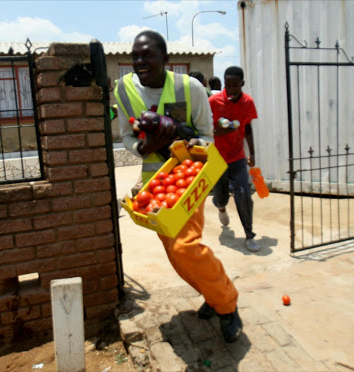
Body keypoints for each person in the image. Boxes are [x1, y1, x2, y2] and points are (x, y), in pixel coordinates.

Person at [114, 30, 243, 343]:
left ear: (165, 59)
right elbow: (128, 136)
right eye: (135, 56)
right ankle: (212, 295)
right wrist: (144, 148)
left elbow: (207, 136)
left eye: (147, 55)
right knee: (175, 253)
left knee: (186, 246)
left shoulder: (190, 87)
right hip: (153, 186)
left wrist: (180, 141)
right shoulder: (124, 89)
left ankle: (227, 305)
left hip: (187, 178)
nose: (139, 61)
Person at [208, 66, 260, 252]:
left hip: (237, 156)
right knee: (220, 197)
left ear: (242, 84)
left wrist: (252, 152)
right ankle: (221, 208)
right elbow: (205, 129)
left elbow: (247, 128)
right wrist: (217, 132)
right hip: (217, 158)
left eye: (235, 86)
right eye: (228, 85)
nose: (231, 89)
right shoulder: (213, 101)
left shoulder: (248, 102)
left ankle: (249, 234)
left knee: (244, 194)